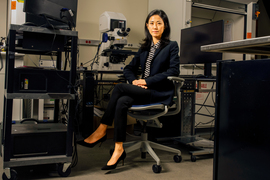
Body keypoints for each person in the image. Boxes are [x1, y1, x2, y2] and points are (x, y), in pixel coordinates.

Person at [78, 9, 180, 170]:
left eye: (159, 23)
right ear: (147, 25)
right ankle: (119, 148)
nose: (155, 26)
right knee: (122, 101)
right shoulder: (144, 48)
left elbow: (173, 71)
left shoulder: (171, 46)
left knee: (119, 88)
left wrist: (145, 81)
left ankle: (101, 129)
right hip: (144, 90)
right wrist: (134, 81)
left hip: (158, 92)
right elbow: (128, 69)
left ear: (165, 26)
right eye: (152, 23)